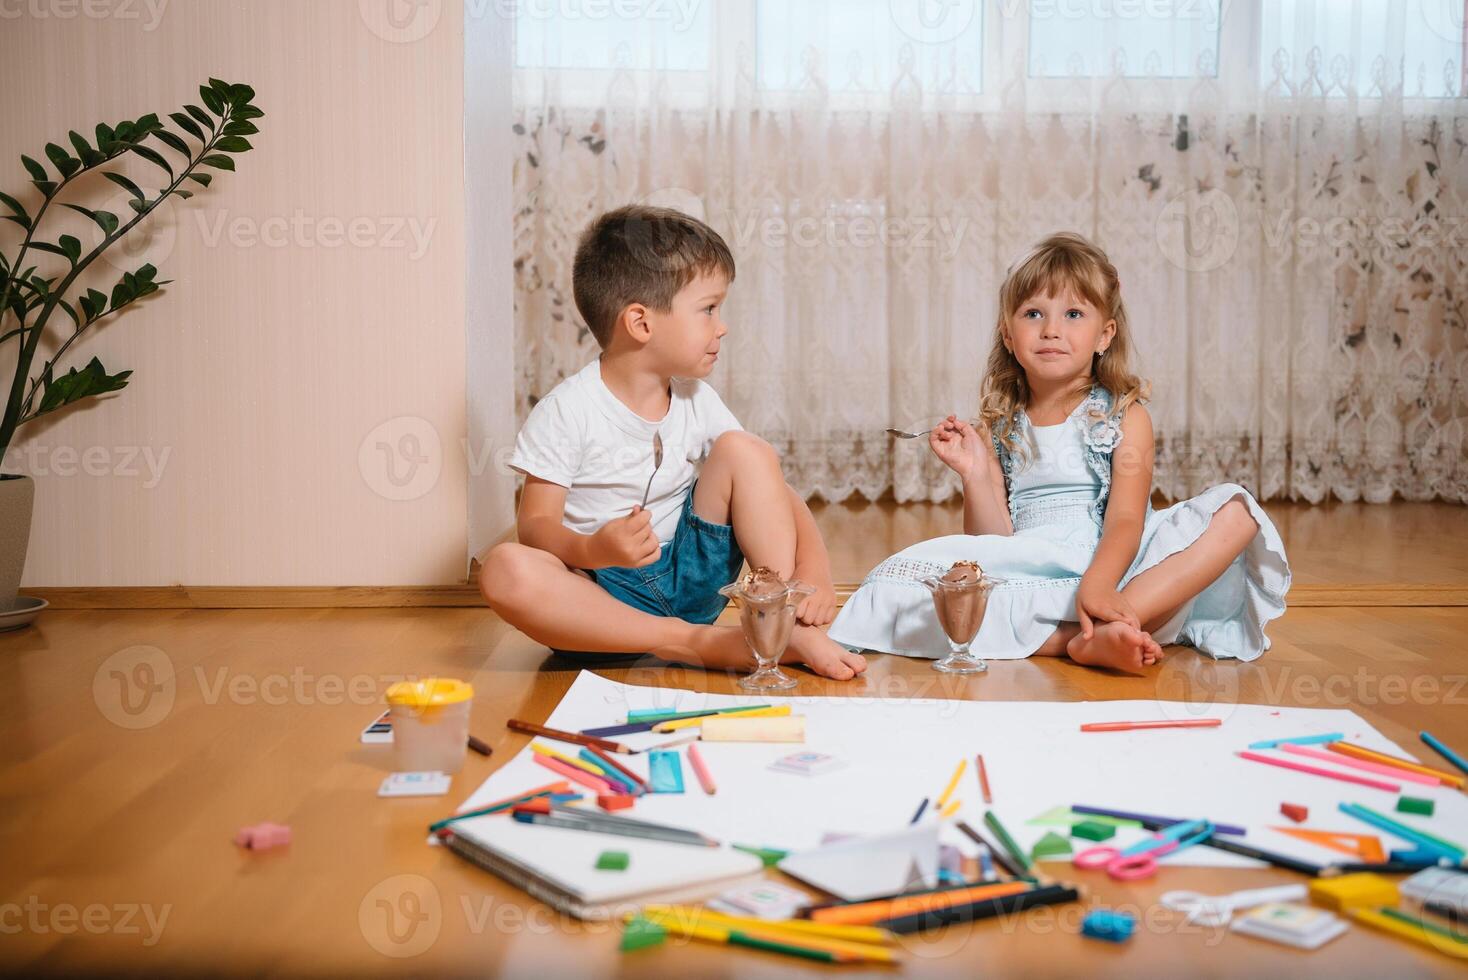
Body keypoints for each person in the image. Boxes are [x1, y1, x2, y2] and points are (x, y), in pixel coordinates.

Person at [829, 232, 1291, 672]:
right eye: (1033, 314)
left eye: (1073, 314)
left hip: (1120, 565)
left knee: (1237, 512)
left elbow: (1127, 521)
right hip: (1039, 564)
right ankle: (1080, 639)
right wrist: (973, 473)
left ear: (1104, 335)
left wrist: (1100, 584)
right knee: (920, 590)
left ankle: (1115, 619)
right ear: (1009, 337)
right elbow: (992, 540)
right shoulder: (999, 427)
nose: (1051, 329)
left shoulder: (1124, 417)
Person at [480, 205, 868, 680]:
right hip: (604, 604)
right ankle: (701, 643)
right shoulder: (566, 410)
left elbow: (773, 490)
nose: (721, 325)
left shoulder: (696, 399)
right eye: (708, 309)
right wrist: (593, 550)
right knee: (504, 568)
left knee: (747, 451)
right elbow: (536, 526)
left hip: (691, 576)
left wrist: (815, 571)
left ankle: (775, 613)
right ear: (641, 324)